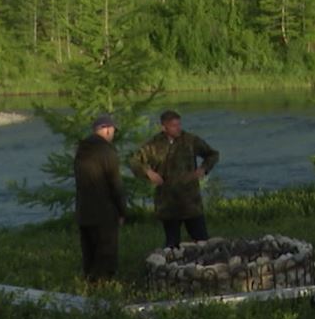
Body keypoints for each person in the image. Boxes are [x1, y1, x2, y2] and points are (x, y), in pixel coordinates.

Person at [130, 109, 220, 249]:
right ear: (164, 127)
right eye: (174, 125)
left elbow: (212, 154)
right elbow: (134, 160)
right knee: (172, 244)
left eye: (179, 124)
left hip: (190, 200)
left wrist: (203, 169)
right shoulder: (154, 144)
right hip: (167, 202)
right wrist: (148, 172)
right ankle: (172, 267)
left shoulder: (190, 140)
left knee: (202, 240)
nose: (178, 128)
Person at [73, 114, 127, 282]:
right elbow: (115, 183)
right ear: (107, 129)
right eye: (112, 130)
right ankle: (104, 289)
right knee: (106, 252)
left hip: (84, 211)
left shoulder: (81, 149)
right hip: (105, 211)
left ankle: (89, 285)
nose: (113, 134)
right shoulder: (107, 151)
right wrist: (122, 210)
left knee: (89, 252)